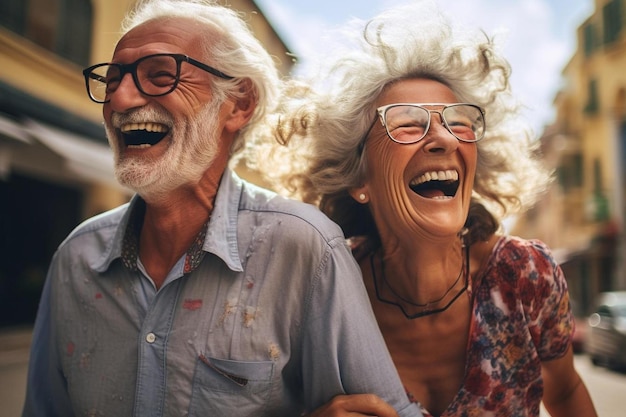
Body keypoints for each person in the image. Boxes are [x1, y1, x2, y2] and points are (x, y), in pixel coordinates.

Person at [21, 1, 423, 416]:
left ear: (239, 103)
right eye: (112, 79)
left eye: (160, 74)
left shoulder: (304, 247)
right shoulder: (76, 258)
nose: (120, 99)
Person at [261, 1, 598, 416]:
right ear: (359, 179)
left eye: (458, 121)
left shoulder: (525, 274)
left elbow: (564, 394)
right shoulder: (322, 288)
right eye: (406, 122)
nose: (446, 139)